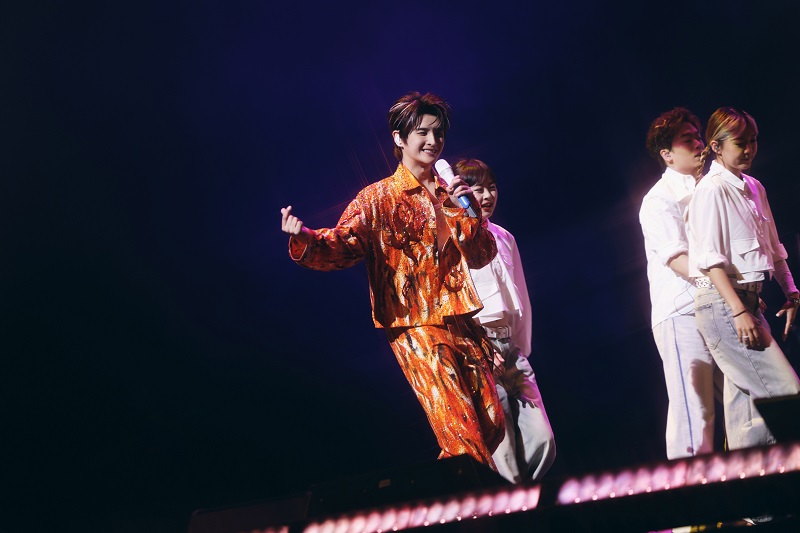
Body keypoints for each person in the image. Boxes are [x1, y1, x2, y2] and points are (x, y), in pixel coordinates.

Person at [280, 92, 506, 469]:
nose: (433, 141)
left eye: (438, 133)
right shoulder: (378, 198)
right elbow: (343, 245)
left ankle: (449, 489)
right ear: (399, 138)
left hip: (461, 318)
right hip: (414, 324)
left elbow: (483, 255)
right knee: (460, 429)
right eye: (423, 133)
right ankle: (471, 500)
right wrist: (305, 239)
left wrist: (467, 213)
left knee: (492, 421)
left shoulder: (451, 193)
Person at [688, 107, 800, 450]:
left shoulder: (754, 187)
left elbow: (775, 250)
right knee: (787, 394)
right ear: (716, 146)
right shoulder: (711, 190)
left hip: (747, 305)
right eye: (740, 142)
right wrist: (738, 310)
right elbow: (710, 263)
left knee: (749, 423)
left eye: (753, 140)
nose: (750, 149)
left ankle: (748, 484)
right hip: (725, 307)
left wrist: (792, 293)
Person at [456, 158, 556, 482]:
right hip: (479, 350)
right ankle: (513, 504)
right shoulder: (454, 239)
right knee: (504, 452)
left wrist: (521, 347)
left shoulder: (504, 237)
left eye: (492, 187)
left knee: (542, 440)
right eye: (477, 189)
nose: (487, 196)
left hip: (510, 347)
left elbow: (521, 296)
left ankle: (528, 498)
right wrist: (476, 348)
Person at [639, 107, 721, 459]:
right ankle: (692, 489)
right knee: (694, 410)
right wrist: (718, 290)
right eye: (688, 140)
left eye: (699, 137)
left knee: (743, 397)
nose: (699, 144)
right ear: (667, 154)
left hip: (718, 304)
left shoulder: (712, 188)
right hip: (682, 312)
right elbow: (677, 260)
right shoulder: (658, 199)